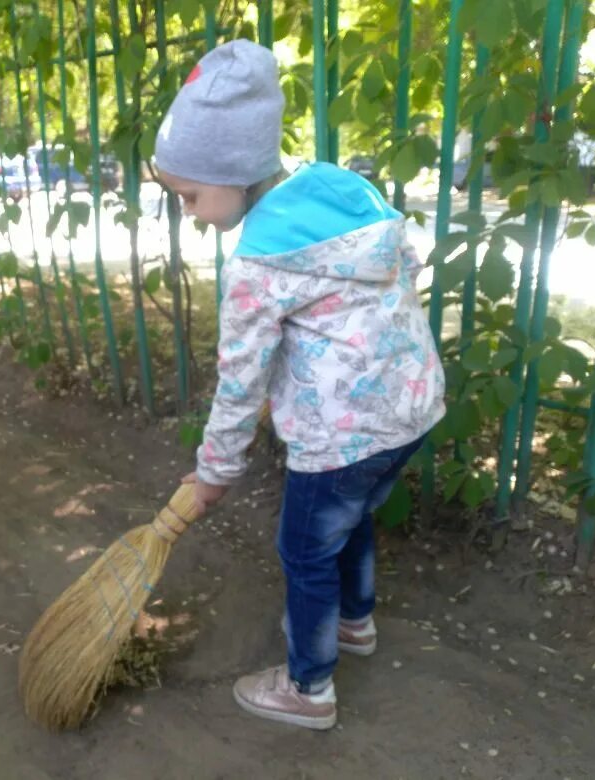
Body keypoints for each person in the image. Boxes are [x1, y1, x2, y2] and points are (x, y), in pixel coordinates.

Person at [155, 41, 446, 729]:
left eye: (191, 195)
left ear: (230, 170)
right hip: (411, 409)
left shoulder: (260, 259)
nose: (191, 212)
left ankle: (308, 689)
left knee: (304, 550)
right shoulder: (341, 189)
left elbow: (240, 380)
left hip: (339, 435)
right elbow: (408, 256)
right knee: (354, 518)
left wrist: (214, 470)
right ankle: (356, 623)